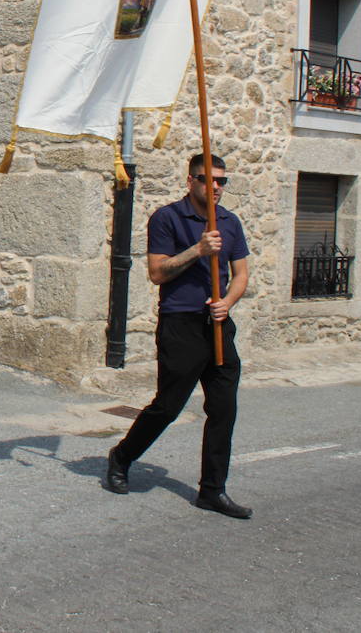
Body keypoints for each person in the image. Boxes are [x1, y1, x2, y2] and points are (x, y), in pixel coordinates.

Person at [106, 153, 253, 519]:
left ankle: (213, 490)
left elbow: (241, 275)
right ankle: (122, 456)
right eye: (208, 179)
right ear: (191, 180)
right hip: (180, 323)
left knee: (223, 410)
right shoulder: (167, 218)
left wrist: (228, 303)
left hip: (218, 324)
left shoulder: (231, 223)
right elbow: (157, 273)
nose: (216, 186)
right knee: (168, 406)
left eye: (222, 181)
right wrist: (198, 250)